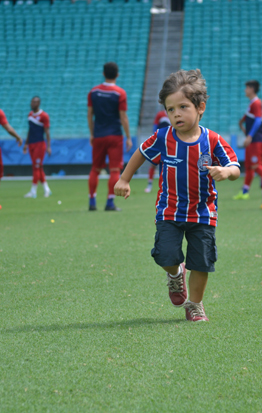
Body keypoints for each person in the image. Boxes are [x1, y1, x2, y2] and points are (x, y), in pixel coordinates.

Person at [114, 69, 240, 322]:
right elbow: (140, 152)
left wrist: (226, 172)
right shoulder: (163, 137)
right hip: (169, 211)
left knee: (202, 262)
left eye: (183, 107)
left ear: (200, 107)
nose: (176, 114)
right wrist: (124, 178)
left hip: (203, 213)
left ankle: (195, 305)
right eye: (171, 109)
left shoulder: (213, 140)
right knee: (165, 255)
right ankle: (175, 274)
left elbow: (236, 168)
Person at [87, 62, 132, 211]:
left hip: (99, 135)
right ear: (117, 75)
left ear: (103, 73)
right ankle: (110, 202)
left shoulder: (93, 92)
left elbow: (89, 114)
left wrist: (92, 133)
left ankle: (92, 201)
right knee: (114, 170)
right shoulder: (120, 93)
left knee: (95, 169)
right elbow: (123, 117)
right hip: (114, 136)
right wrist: (128, 136)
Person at [233, 80, 262, 206]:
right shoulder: (252, 104)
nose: (245, 90)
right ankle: (244, 192)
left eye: (246, 88)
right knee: (249, 167)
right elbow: (244, 121)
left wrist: (249, 136)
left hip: (256, 140)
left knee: (256, 166)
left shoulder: (257, 103)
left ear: (252, 89)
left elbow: (258, 121)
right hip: (252, 140)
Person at [23, 96, 52, 198]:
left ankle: (33, 191)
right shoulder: (30, 115)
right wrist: (26, 144)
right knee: (38, 167)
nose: (32, 104)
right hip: (31, 144)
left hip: (40, 144)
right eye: (32, 102)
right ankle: (47, 189)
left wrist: (49, 146)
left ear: (39, 104)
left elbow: (47, 132)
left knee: (36, 167)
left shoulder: (44, 116)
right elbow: (29, 130)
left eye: (35, 102)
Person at [145, 109, 170, 193]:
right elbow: (155, 126)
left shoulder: (174, 115)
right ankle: (149, 184)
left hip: (169, 144)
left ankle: (167, 186)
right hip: (160, 142)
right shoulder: (160, 114)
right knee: (153, 164)